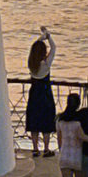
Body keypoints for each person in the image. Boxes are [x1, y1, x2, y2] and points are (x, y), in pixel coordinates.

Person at [25, 25, 57, 157]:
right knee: (46, 121)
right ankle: (46, 148)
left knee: (34, 121)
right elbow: (54, 47)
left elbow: (35, 46)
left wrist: (42, 37)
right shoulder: (46, 64)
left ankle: (35, 148)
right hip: (45, 94)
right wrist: (48, 36)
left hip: (34, 94)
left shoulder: (31, 63)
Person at [56, 92, 86, 177]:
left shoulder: (59, 119)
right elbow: (82, 138)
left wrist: (61, 149)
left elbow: (59, 139)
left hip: (65, 155)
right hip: (77, 155)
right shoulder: (80, 120)